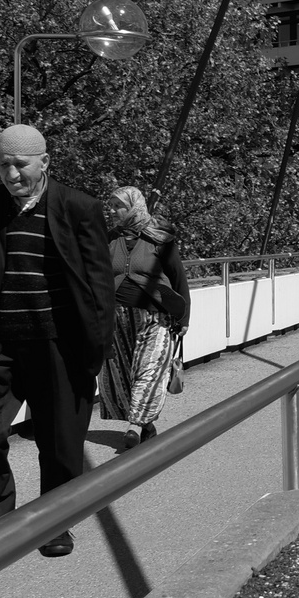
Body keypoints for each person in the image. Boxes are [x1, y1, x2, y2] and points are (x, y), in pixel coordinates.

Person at [0, 125, 115, 557]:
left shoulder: (79, 208)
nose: (11, 173)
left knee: (61, 442)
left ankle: (55, 523)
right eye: (3, 164)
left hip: (59, 344)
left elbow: (99, 286)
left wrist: (95, 351)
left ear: (44, 162)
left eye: (19, 164)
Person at [98, 186, 191, 449]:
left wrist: (184, 319)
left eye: (119, 206)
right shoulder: (109, 239)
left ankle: (135, 426)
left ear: (134, 206)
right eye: (112, 206)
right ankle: (146, 425)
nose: (113, 211)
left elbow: (179, 280)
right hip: (116, 318)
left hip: (155, 318)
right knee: (124, 374)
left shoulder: (160, 239)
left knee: (149, 371)